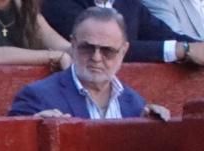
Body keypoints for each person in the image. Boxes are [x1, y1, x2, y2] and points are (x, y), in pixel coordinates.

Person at [9, 5, 167, 115]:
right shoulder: (37, 98)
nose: (96, 58)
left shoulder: (136, 105)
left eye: (107, 51)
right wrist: (34, 128)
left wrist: (154, 128)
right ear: (73, 44)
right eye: (87, 48)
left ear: (123, 51)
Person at [42, 0, 200, 62]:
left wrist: (195, 46)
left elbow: (164, 34)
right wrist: (181, 49)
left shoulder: (128, 3)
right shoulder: (59, 4)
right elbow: (107, 47)